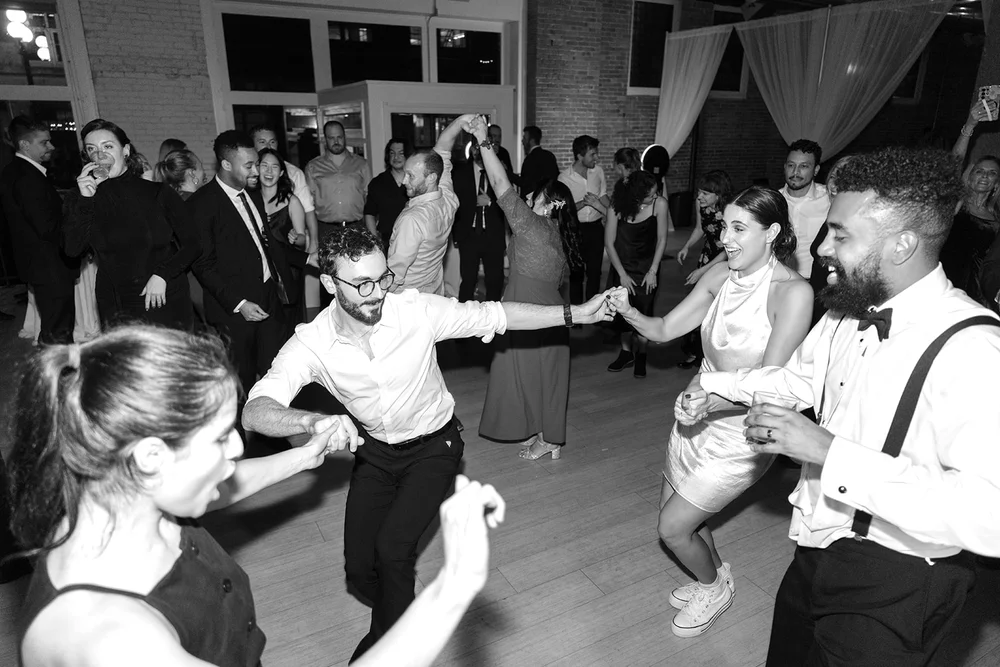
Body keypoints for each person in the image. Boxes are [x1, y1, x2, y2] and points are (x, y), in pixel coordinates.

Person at [9, 325, 509, 667]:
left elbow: (217, 489)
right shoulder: (115, 642)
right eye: (219, 438)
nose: (236, 448)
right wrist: (453, 588)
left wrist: (302, 457)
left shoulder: (110, 499)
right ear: (151, 457)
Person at [683, 148, 1000, 665]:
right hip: (817, 540)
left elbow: (991, 514)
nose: (823, 247)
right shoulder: (846, 312)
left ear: (902, 244)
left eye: (841, 235)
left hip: (900, 577)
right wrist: (717, 386)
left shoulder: (975, 349)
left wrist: (829, 453)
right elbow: (798, 379)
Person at [241, 222, 614, 662]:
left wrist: (577, 313)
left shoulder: (416, 311)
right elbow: (255, 410)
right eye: (362, 284)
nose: (377, 293)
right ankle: (404, 612)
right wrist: (308, 420)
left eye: (382, 278)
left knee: (392, 553)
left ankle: (386, 651)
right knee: (359, 570)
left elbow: (497, 314)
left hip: (435, 447)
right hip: (375, 453)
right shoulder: (312, 342)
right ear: (328, 284)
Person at [607, 185, 812, 638]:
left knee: (672, 528)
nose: (725, 239)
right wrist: (628, 311)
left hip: (741, 432)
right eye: (725, 228)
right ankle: (717, 580)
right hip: (695, 416)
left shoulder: (792, 293)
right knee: (685, 516)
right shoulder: (720, 276)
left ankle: (712, 587)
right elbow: (664, 327)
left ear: (771, 232)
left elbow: (767, 385)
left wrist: (711, 401)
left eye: (739, 229)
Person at [469, 115, 584, 459]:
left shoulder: (532, 225)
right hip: (545, 310)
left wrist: (483, 139)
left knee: (530, 375)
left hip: (528, 309)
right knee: (539, 376)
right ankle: (543, 432)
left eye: (538, 194)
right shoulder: (561, 235)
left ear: (549, 205)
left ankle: (550, 440)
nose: (530, 194)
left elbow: (499, 182)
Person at [189, 131, 300, 396]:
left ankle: (275, 418)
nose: (257, 171)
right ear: (226, 164)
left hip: (268, 299)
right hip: (235, 311)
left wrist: (307, 259)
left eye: (256, 164)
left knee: (278, 374)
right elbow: (203, 265)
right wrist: (240, 304)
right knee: (242, 381)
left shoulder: (253, 194)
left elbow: (267, 243)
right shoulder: (201, 204)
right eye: (249, 166)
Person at [64, 119, 199, 330]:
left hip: (160, 294)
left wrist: (163, 275)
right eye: (92, 149)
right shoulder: (81, 197)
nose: (100, 155)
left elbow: (193, 244)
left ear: (125, 150)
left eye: (108, 147)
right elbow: (72, 250)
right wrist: (85, 200)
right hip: (115, 300)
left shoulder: (157, 193)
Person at [0, 116, 79, 344]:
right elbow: (48, 227)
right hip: (50, 265)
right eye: (44, 142)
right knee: (59, 329)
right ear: (25, 145)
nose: (51, 147)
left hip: (39, 264)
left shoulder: (14, 171)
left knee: (54, 326)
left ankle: (55, 362)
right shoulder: (27, 177)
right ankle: (59, 365)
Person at [386, 117, 465, 295]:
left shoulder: (412, 220)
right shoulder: (448, 199)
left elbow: (396, 272)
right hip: (433, 293)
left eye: (411, 176)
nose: (404, 181)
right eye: (405, 174)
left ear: (431, 178)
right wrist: (461, 122)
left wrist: (380, 298)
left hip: (406, 298)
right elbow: (443, 150)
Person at [604, 170, 669, 378]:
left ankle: (641, 354)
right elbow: (609, 243)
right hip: (622, 266)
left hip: (647, 268)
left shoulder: (659, 204)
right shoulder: (616, 206)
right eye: (650, 194)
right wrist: (622, 274)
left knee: (644, 312)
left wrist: (653, 270)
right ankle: (626, 353)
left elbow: (662, 239)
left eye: (656, 192)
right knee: (622, 313)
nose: (655, 196)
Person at [940, 100, 999, 306]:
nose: (985, 176)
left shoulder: (997, 218)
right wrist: (970, 125)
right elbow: (953, 165)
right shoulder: (957, 204)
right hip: (946, 287)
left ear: (996, 183)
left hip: (976, 295)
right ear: (969, 176)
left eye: (992, 173)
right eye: (979, 171)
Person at [676, 170, 733, 369]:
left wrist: (703, 271)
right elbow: (700, 228)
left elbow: (727, 249)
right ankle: (694, 352)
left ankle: (713, 357)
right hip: (708, 256)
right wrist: (686, 246)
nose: (699, 196)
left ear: (718, 195)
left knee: (719, 309)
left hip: (728, 261)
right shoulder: (700, 205)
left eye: (705, 193)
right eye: (699, 192)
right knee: (701, 304)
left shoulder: (730, 211)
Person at [258, 147, 309, 323]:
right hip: (261, 270)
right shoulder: (249, 200)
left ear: (281, 173)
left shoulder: (292, 201)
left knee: (288, 320)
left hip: (287, 269)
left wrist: (296, 238)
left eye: (274, 167)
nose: (269, 171)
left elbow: (302, 240)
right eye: (264, 165)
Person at [251, 125, 319, 255]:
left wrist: (311, 244)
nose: (268, 146)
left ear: (281, 172)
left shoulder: (294, 176)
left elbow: (308, 211)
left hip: (287, 258)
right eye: (262, 142)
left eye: (272, 142)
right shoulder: (247, 187)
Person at [453, 142, 506, 303]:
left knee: (495, 282)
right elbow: (454, 204)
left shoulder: (499, 172)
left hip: (493, 236)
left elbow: (510, 202)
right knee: (468, 281)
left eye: (486, 147)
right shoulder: (460, 173)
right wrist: (456, 235)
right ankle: (464, 316)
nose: (481, 151)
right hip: (468, 236)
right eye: (478, 147)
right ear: (473, 150)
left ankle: (493, 317)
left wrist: (490, 202)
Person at [560, 135, 608, 306]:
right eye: (592, 154)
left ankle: (592, 309)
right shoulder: (564, 178)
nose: (597, 158)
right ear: (580, 156)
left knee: (595, 273)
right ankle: (577, 311)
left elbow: (603, 196)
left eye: (596, 153)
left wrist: (614, 213)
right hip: (575, 230)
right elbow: (562, 210)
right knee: (576, 273)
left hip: (596, 228)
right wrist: (584, 203)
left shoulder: (598, 172)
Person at [306, 120, 371, 245]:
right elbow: (308, 203)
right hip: (325, 230)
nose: (336, 142)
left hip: (356, 228)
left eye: (339, 137)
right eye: (331, 138)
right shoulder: (313, 166)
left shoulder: (361, 164)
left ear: (345, 137)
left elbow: (369, 197)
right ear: (325, 139)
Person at [781, 139, 831, 281]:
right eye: (791, 165)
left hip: (817, 281)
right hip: (780, 281)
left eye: (804, 166)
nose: (795, 172)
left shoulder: (830, 199)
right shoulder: (773, 201)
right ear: (785, 167)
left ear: (816, 170)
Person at [363, 138, 411, 249]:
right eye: (392, 153)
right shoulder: (377, 183)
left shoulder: (416, 181)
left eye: (401, 153)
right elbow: (369, 213)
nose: (396, 157)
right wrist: (375, 241)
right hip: (386, 243)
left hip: (414, 240)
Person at [518, 125, 559, 198]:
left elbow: (524, 182)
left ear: (532, 141)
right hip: (548, 198)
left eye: (524, 138)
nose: (522, 141)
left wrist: (506, 172)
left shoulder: (530, 159)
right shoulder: (549, 156)